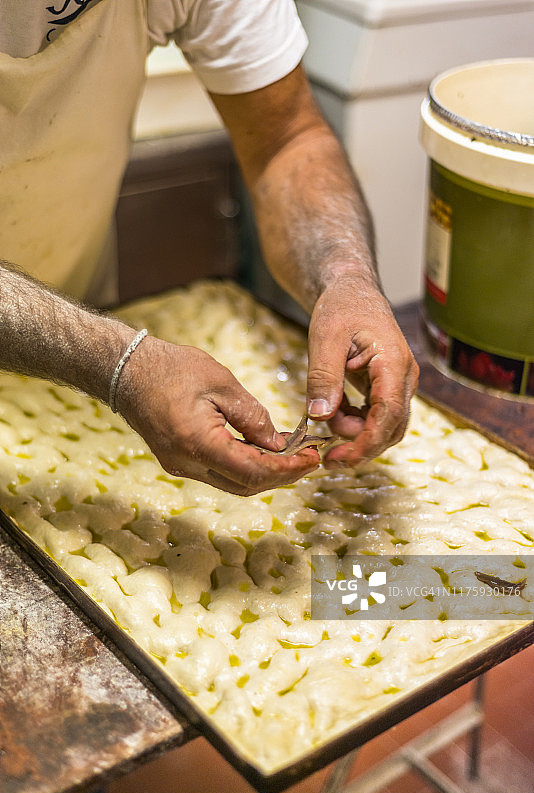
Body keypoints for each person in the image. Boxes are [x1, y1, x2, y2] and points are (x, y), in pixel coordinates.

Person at [0, 0, 418, 496]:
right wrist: (119, 365)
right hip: (87, 348)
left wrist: (345, 277)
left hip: (70, 326)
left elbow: (287, 140)